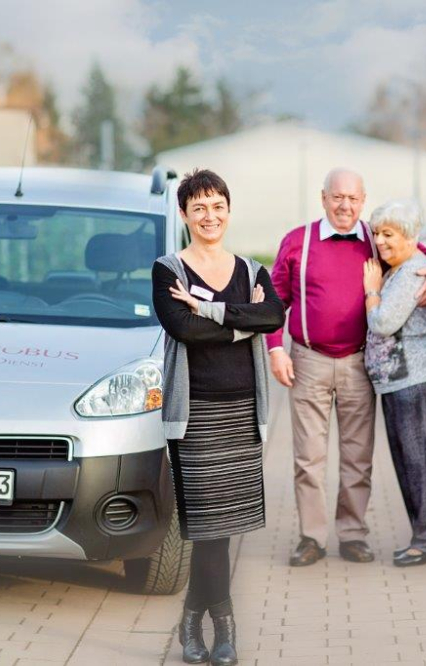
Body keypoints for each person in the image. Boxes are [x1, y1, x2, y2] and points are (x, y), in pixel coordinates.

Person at [268, 168, 426, 567]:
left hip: (359, 362)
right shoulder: (298, 242)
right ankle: (311, 538)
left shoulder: (374, 238)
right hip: (308, 360)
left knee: (357, 456)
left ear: (363, 200)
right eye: (337, 197)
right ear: (324, 198)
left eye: (353, 198)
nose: (345, 205)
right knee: (308, 457)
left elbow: (420, 251)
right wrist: (275, 350)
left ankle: (352, 534)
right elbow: (274, 300)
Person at [152, 169, 284, 665]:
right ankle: (222, 625)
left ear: (229, 210)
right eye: (199, 208)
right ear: (184, 214)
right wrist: (238, 320)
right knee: (207, 527)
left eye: (218, 206)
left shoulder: (251, 271)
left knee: (224, 527)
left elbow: (273, 317)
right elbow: (182, 330)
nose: (210, 216)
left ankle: (193, 620)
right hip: (197, 413)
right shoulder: (168, 270)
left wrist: (211, 311)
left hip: (244, 411)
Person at [362, 200, 426, 567]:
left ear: (411, 237)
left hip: (418, 379)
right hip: (402, 381)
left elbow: (384, 322)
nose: (381, 242)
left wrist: (371, 290)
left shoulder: (414, 270)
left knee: (420, 460)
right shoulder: (401, 269)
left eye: (390, 234)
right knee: (412, 459)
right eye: (378, 234)